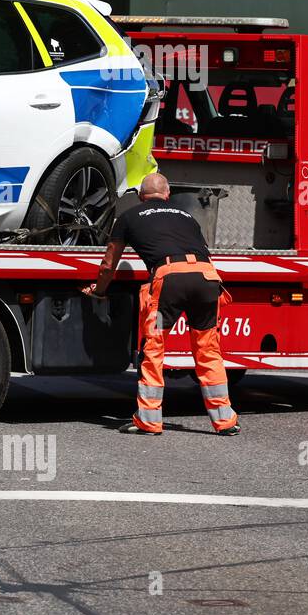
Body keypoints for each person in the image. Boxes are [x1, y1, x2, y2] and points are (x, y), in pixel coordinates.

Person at [83, 172, 239, 436]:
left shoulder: (129, 217)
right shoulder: (187, 216)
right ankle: (225, 421)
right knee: (208, 350)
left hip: (170, 283)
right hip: (207, 279)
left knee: (154, 348)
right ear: (167, 195)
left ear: (141, 196)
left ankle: (149, 420)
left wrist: (98, 290)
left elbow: (109, 264)